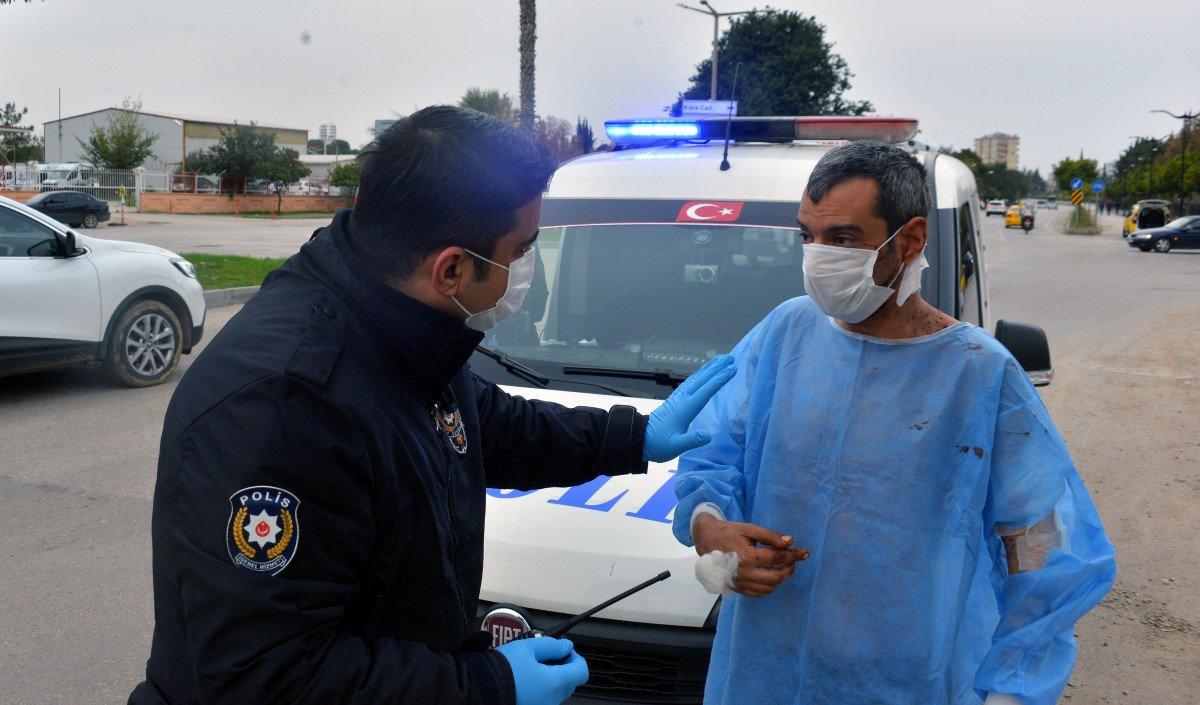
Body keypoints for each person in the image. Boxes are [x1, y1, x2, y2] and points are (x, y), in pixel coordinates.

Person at [128, 106, 735, 705]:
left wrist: (630, 436)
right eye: (520, 252)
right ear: (451, 268)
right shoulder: (285, 405)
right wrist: (487, 685)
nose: (526, 272)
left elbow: (481, 424)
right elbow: (266, 675)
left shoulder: (394, 323)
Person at [672, 141, 1115, 705]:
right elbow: (713, 448)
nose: (817, 257)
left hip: (907, 678)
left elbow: (1042, 552)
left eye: (843, 240)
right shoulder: (786, 334)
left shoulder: (977, 374)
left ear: (908, 241)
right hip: (765, 669)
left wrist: (1011, 691)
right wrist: (712, 529)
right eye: (807, 236)